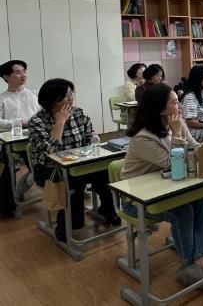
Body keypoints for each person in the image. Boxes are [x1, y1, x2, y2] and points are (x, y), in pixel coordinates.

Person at [121, 83, 203, 289]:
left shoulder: (176, 123)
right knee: (183, 211)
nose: (180, 106)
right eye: (175, 102)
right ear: (160, 109)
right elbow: (173, 163)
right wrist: (176, 133)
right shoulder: (142, 137)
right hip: (139, 199)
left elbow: (196, 147)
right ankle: (188, 265)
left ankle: (200, 262)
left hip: (167, 189)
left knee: (199, 203)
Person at [29, 78, 120, 242]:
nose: (71, 98)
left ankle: (107, 210)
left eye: (71, 93)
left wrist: (93, 142)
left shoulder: (79, 113)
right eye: (66, 95)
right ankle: (66, 226)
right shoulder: (37, 121)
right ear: (53, 100)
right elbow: (50, 151)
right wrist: (60, 122)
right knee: (73, 184)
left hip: (78, 164)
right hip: (49, 169)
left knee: (106, 174)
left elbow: (89, 140)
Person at [0, 60, 40, 202]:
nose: (23, 75)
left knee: (47, 165)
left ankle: (73, 188)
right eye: (18, 72)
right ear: (6, 77)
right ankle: (15, 195)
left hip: (38, 137)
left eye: (24, 71)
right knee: (38, 169)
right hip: (16, 141)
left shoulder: (34, 94)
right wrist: (20, 123)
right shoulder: (2, 98)